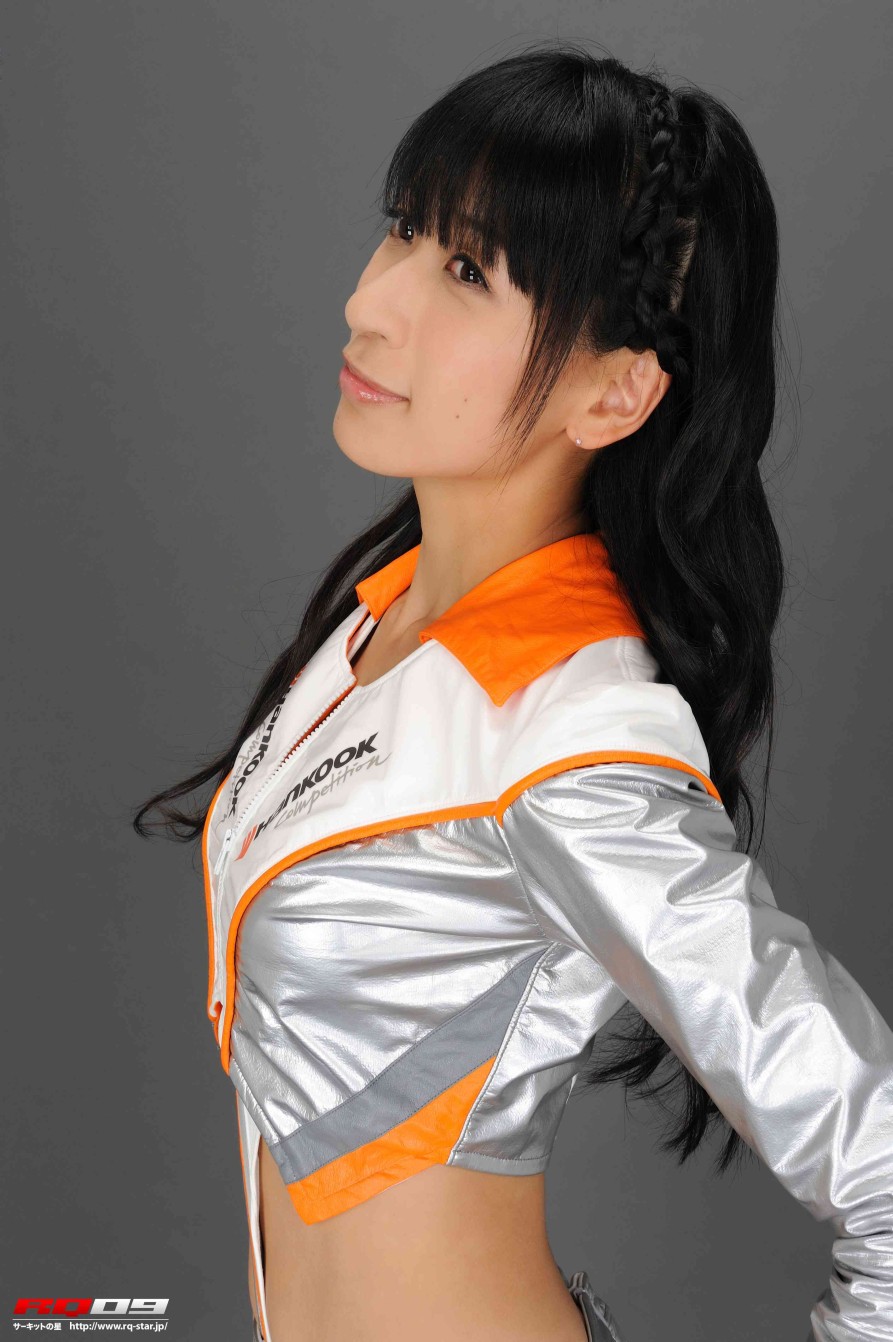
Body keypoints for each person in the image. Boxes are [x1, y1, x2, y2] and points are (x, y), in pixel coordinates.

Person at [133, 42, 893, 1342]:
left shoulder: (573, 729)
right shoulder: (382, 622)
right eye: (403, 230)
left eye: (470, 271)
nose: (370, 303)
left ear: (615, 389)